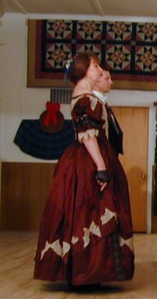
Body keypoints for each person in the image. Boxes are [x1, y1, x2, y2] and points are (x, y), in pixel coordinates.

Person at [34, 53, 134, 287]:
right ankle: (87, 270)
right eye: (95, 66)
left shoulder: (87, 97)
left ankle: (90, 270)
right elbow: (87, 136)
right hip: (89, 161)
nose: (99, 70)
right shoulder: (85, 99)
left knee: (88, 211)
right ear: (83, 70)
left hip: (90, 157)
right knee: (89, 210)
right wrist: (100, 166)